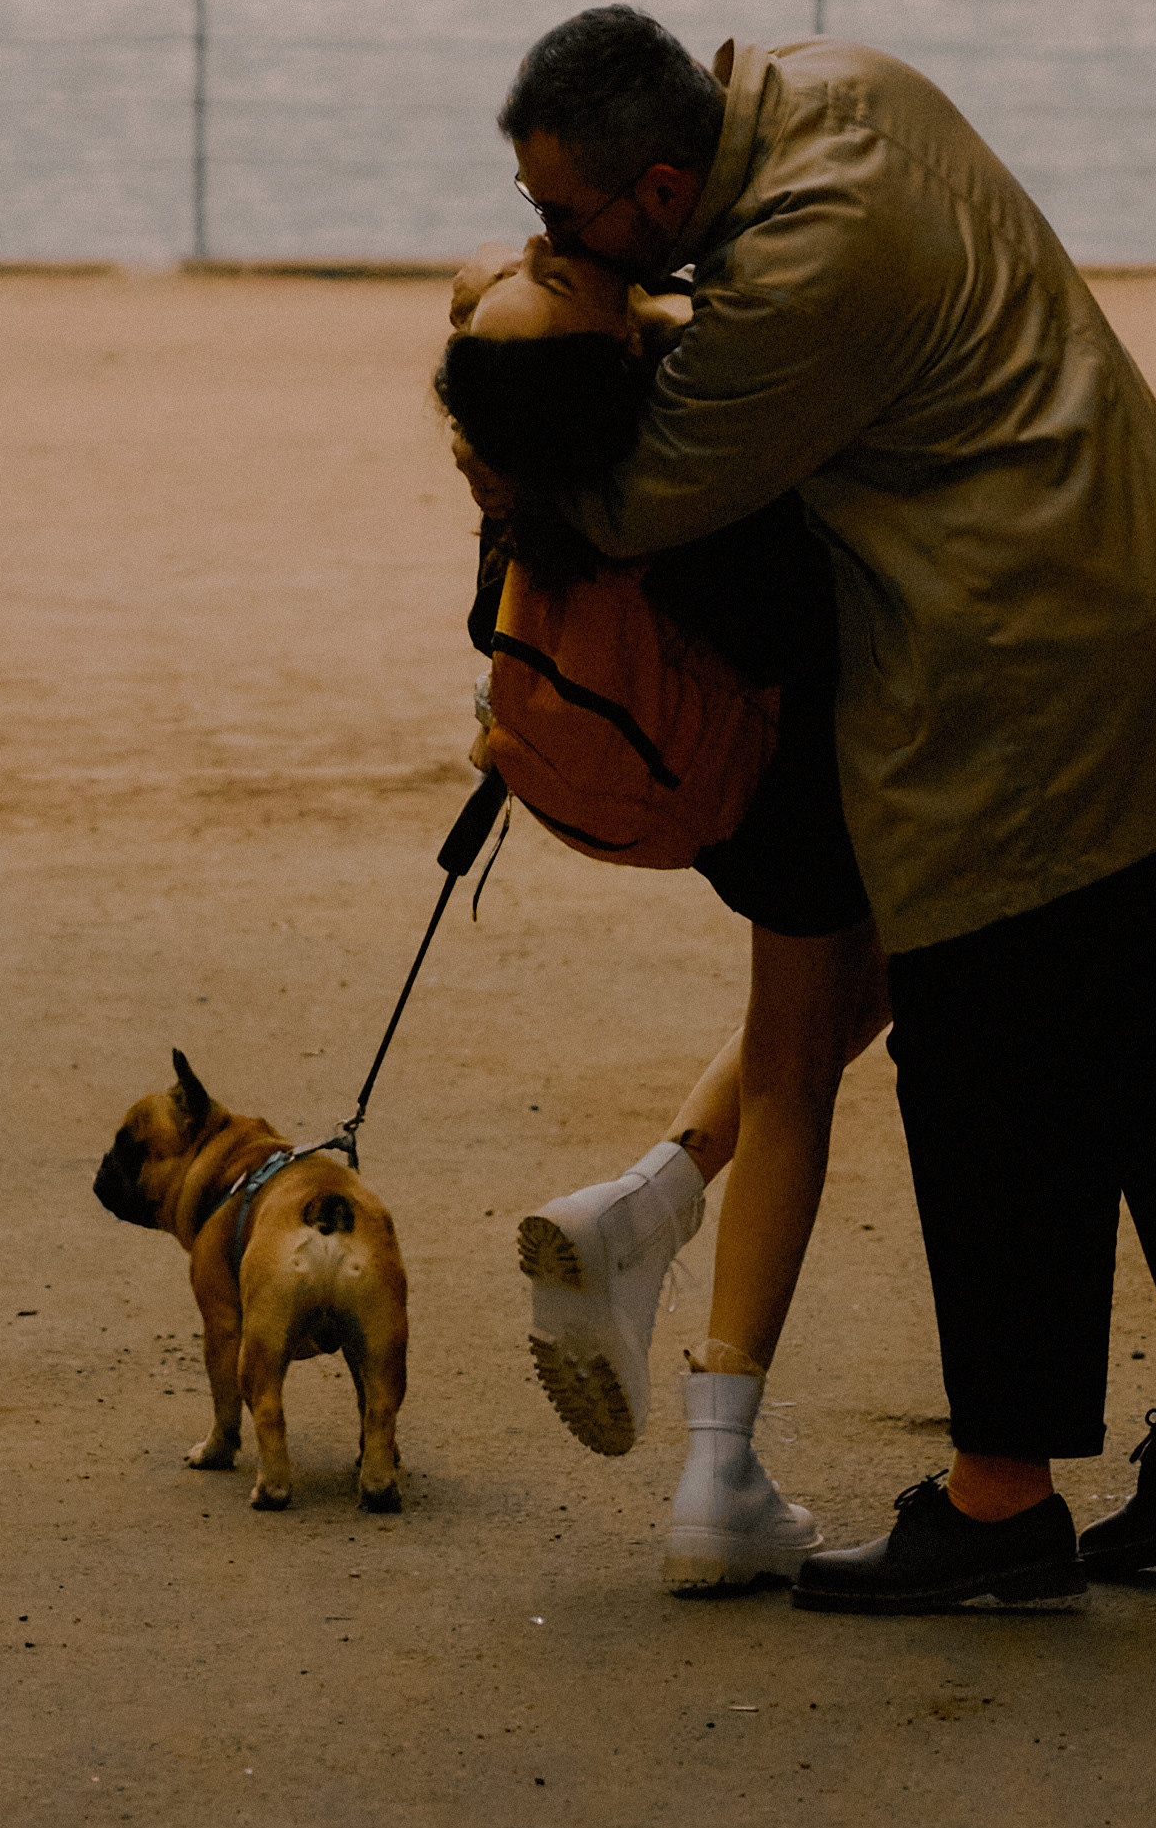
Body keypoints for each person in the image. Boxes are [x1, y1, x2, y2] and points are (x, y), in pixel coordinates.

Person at [467, 5, 1156, 1615]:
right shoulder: (850, 81)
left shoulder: (796, 275)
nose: (543, 239)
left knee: (988, 1062)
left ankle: (1000, 1491)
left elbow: (644, 497)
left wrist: (495, 425)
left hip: (1027, 676)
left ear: (661, 189)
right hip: (1149, 614)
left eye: (560, 217)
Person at [436, 239, 889, 1593]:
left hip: (706, 779)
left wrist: (581, 301)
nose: (547, 254)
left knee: (875, 978)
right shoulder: (685, 423)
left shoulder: (522, 442)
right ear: (618, 363)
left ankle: (652, 1200)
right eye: (561, 278)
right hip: (793, 764)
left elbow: (491, 307)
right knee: (803, 1059)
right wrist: (639, 302)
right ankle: (719, 1466)